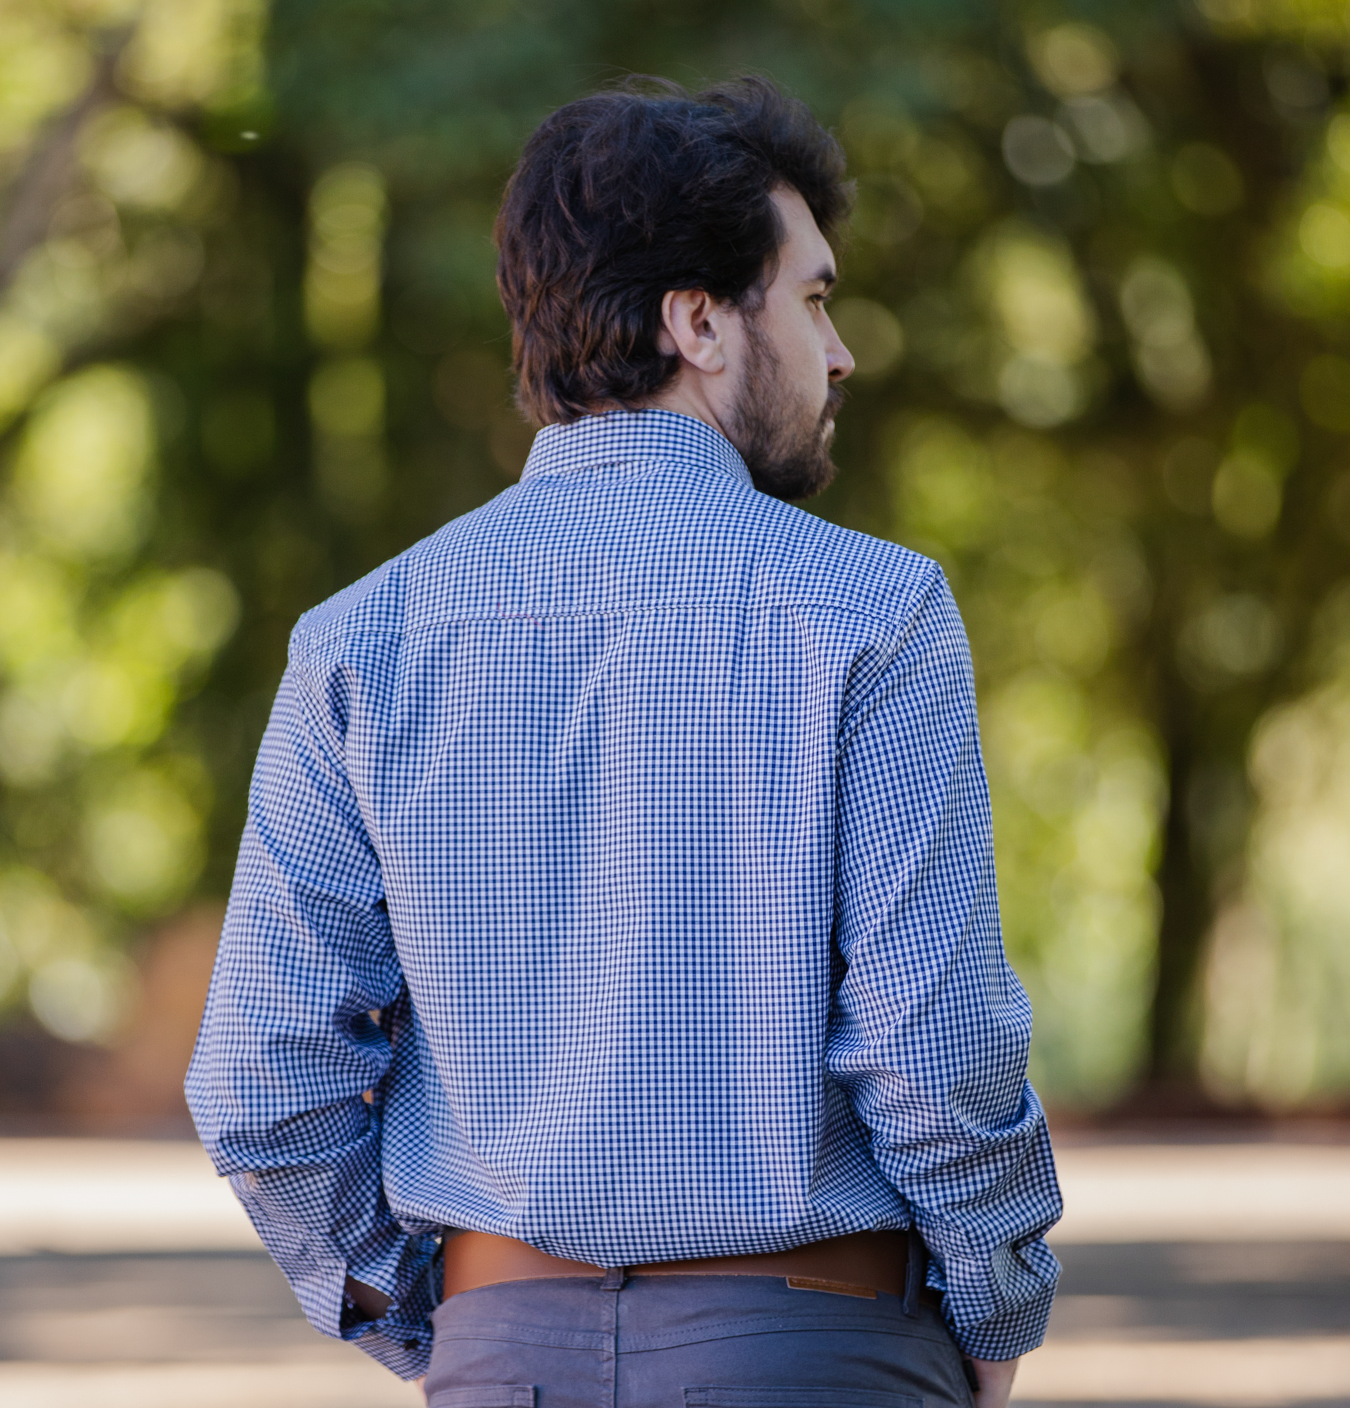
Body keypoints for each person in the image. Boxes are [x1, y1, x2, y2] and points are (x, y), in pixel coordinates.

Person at [186, 75, 1061, 1408]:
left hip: (501, 1356)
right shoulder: (873, 616)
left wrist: (430, 1320)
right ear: (698, 321)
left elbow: (263, 1077)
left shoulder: (361, 641)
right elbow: (930, 1046)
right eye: (814, 297)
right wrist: (996, 1311)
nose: (840, 353)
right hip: (818, 1354)